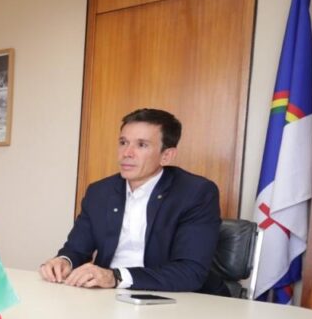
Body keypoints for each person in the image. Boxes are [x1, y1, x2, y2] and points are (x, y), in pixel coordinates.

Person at [39, 108, 225, 294]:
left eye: (141, 145)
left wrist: (116, 277)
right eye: (123, 142)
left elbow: (190, 272)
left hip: (173, 299)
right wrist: (64, 261)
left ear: (166, 155)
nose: (127, 153)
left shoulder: (195, 193)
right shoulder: (99, 192)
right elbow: (76, 249)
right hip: (106, 295)